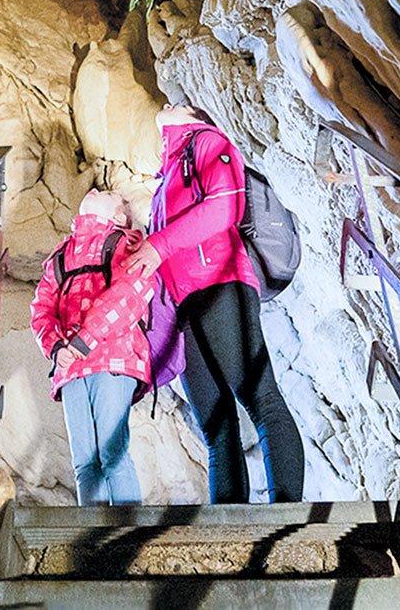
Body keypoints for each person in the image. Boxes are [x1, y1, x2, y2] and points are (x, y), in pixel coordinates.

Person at [125, 102, 306, 504]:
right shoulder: (166, 180)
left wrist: (159, 244)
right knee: (215, 421)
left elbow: (225, 207)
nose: (168, 103)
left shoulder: (207, 142)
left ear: (195, 116)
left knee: (261, 398)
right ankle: (231, 519)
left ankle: (289, 512)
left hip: (221, 284)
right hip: (183, 307)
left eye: (179, 104)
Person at [29, 189, 160, 505]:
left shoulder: (127, 246)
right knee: (85, 463)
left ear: (118, 216)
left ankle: (129, 536)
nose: (97, 189)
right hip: (71, 365)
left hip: (113, 359)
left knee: (112, 454)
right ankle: (93, 542)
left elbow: (132, 293)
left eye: (111, 194)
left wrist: (83, 340)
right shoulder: (61, 257)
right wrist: (56, 347)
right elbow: (41, 307)